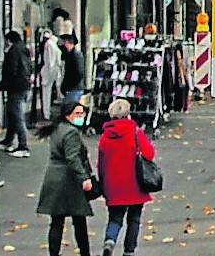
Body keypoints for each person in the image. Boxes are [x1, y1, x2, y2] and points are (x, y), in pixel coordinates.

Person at [96, 98, 156, 256]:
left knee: (115, 218)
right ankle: (129, 251)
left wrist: (102, 183)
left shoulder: (105, 137)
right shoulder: (136, 133)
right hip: (135, 184)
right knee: (134, 219)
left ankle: (110, 241)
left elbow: (100, 164)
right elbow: (149, 154)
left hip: (113, 185)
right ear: (128, 114)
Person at [37, 97, 95, 256]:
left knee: (57, 221)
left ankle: (54, 253)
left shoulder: (57, 128)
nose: (80, 116)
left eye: (82, 113)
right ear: (68, 115)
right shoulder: (71, 133)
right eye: (77, 113)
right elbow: (73, 157)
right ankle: (85, 253)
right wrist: (84, 178)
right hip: (68, 180)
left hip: (54, 177)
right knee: (79, 220)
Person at [0, 29, 34, 156]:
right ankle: (8, 140)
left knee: (17, 116)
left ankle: (23, 146)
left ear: (9, 40)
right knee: (12, 115)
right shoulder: (24, 49)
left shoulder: (13, 51)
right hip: (23, 85)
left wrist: (3, 85)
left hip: (15, 87)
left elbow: (11, 71)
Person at [59, 35, 87, 108]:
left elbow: (79, 73)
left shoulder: (76, 55)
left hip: (74, 89)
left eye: (64, 42)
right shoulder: (70, 55)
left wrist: (69, 85)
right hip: (71, 89)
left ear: (67, 43)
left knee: (74, 111)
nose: (63, 44)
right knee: (72, 111)